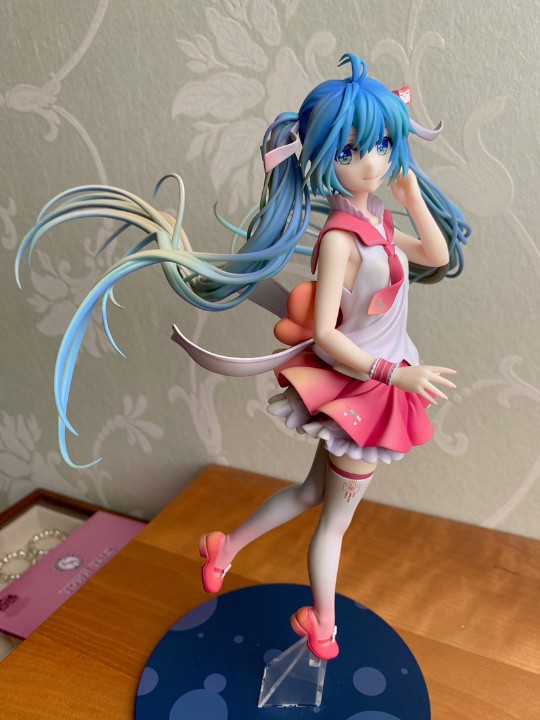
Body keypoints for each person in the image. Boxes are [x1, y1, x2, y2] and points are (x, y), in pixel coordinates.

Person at [17, 53, 470, 660]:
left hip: (377, 386)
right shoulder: (341, 239)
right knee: (334, 524)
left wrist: (411, 195)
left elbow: (436, 256)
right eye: (351, 150)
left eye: (384, 144)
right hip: (365, 393)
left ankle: (224, 548)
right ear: (323, 158)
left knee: (310, 494)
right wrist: (394, 374)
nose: (372, 162)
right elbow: (329, 337)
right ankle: (322, 626)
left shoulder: (379, 222)